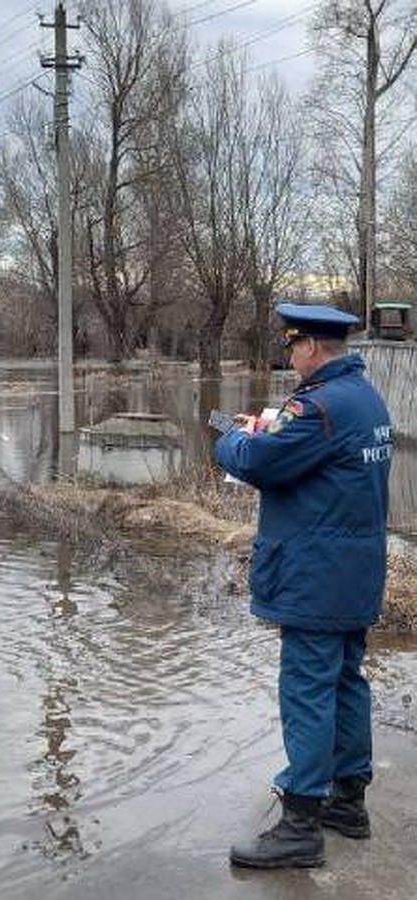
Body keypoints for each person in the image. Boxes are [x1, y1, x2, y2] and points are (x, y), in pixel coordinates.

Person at [215, 302, 393, 870]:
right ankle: (348, 803)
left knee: (307, 689)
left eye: (293, 347)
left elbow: (260, 462)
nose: (290, 357)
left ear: (312, 348)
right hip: (355, 571)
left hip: (315, 575)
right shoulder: (367, 398)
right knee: (345, 681)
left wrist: (231, 440)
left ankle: (300, 824)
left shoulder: (317, 407)